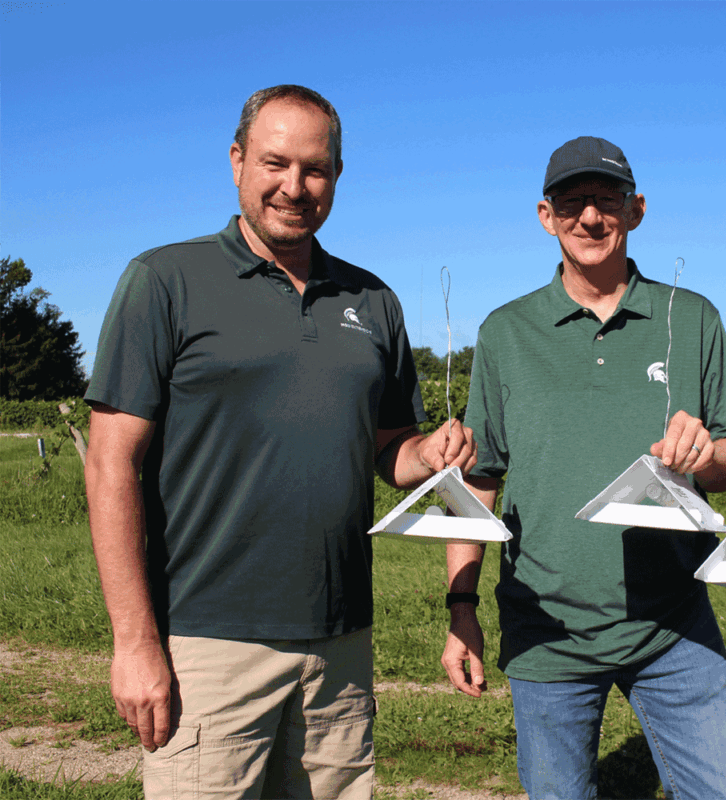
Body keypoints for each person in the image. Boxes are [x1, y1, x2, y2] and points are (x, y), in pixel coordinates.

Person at [84, 84, 476, 800]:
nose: (295, 186)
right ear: (238, 161)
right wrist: (134, 642)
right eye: (275, 163)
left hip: (340, 644)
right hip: (207, 644)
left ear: (337, 175)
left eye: (315, 168)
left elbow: (390, 449)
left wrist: (429, 455)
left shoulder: (373, 300)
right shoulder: (165, 281)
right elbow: (112, 466)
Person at [439, 136, 726, 800]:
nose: (589, 217)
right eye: (571, 202)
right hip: (546, 632)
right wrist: (461, 607)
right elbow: (480, 479)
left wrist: (708, 455)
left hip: (675, 628)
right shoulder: (505, 332)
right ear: (545, 216)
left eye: (607, 200)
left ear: (636, 210)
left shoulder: (692, 317)